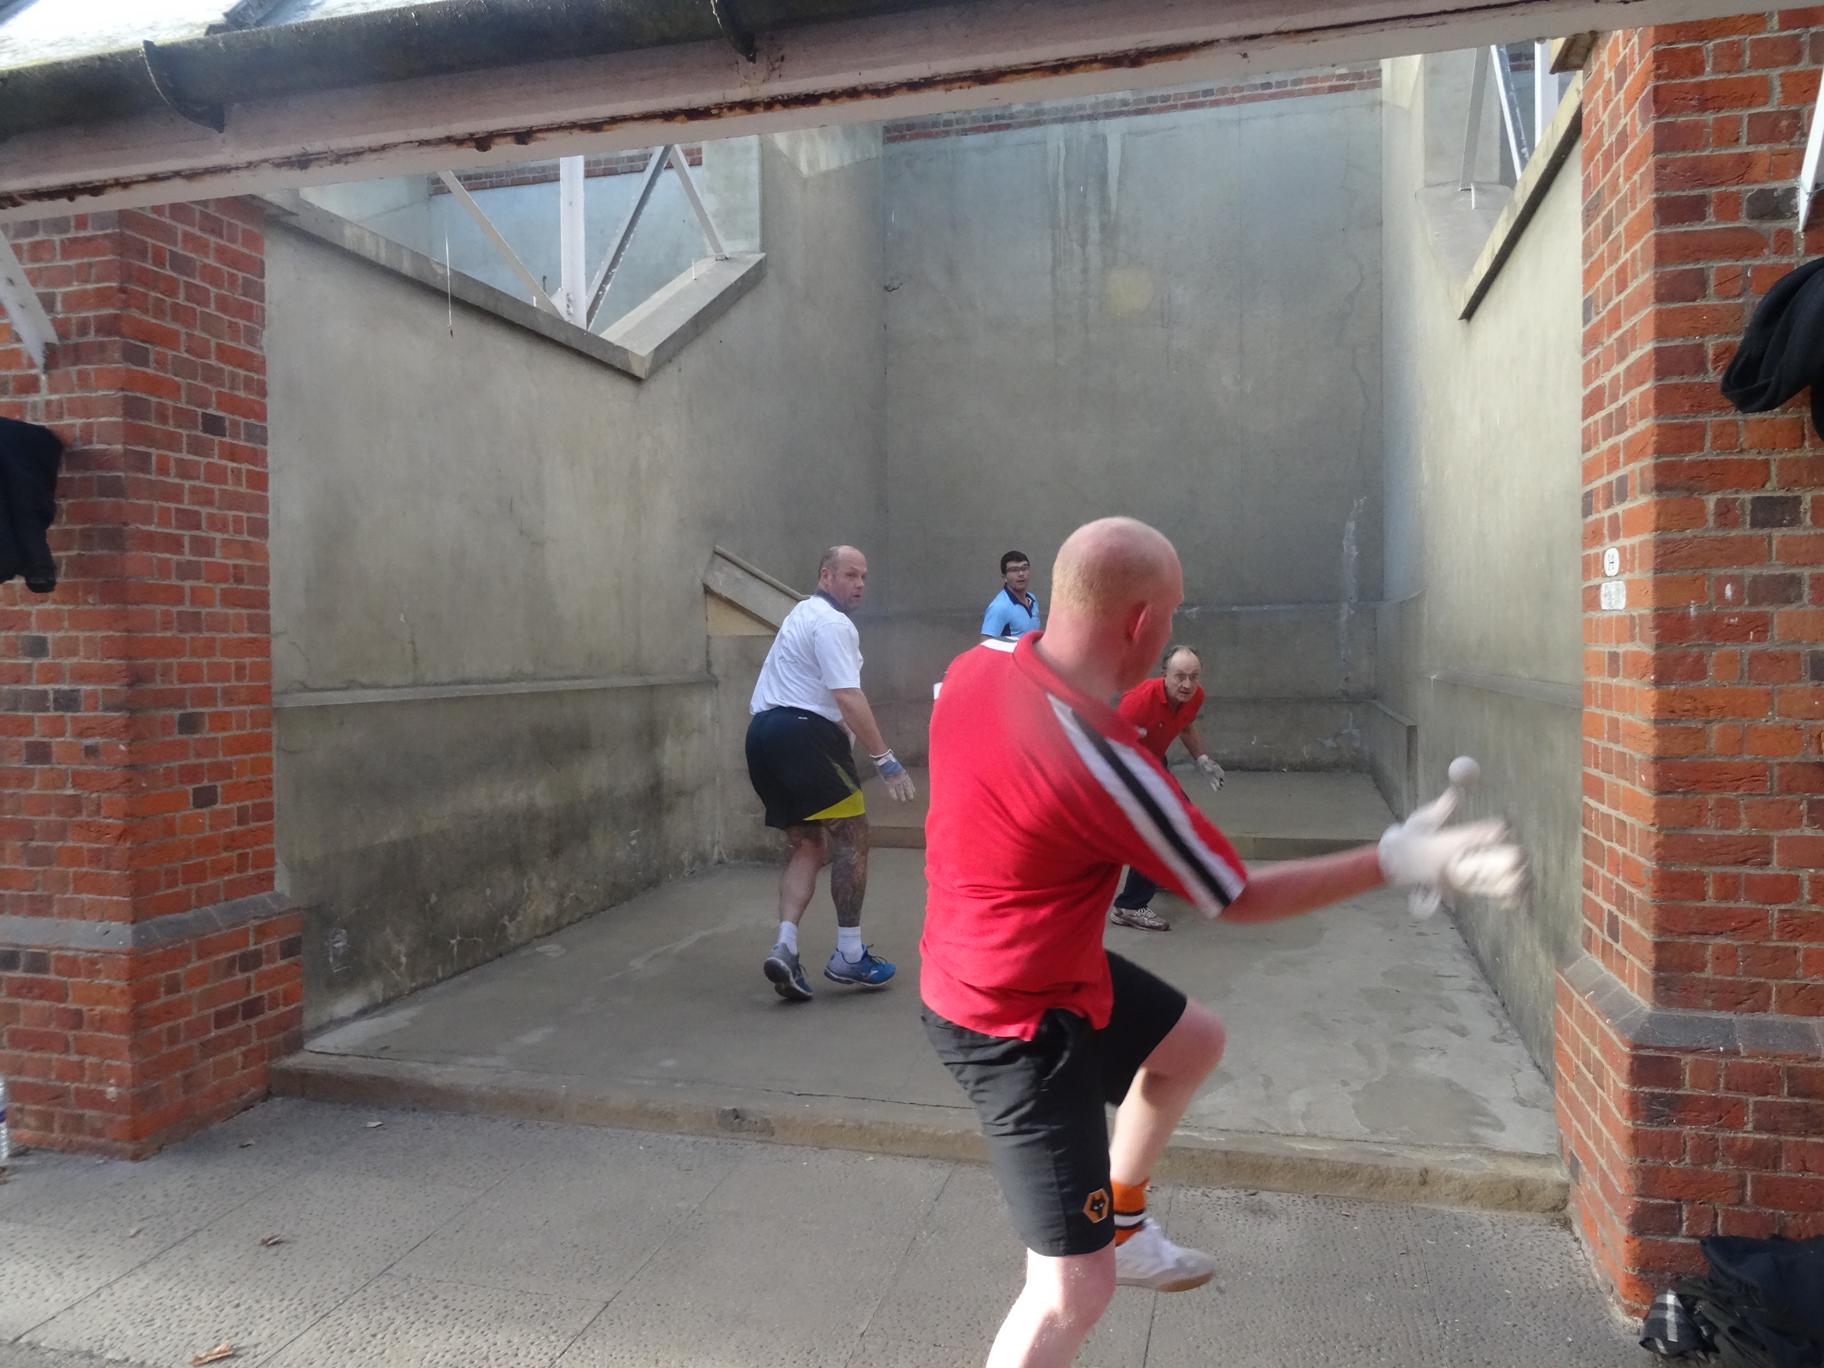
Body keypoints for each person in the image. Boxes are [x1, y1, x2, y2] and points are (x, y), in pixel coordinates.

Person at [919, 517, 1527, 1368]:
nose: (1173, 632)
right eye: (1171, 614)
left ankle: (1122, 1225)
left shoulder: (974, 668)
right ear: (1140, 624)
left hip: (1011, 964)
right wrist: (1396, 857)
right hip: (1013, 1025)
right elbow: (1235, 896)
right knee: (1069, 1291)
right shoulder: (1107, 763)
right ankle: (1106, 1255)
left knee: (1192, 1043)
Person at [747, 545, 916, 1002]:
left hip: (761, 738)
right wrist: (885, 759)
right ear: (826, 575)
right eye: (849, 575)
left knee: (807, 843)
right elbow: (848, 697)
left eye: (863, 576)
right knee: (853, 838)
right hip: (803, 738)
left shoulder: (800, 616)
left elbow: (814, 689)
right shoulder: (833, 623)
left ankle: (785, 947)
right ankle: (849, 955)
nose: (859, 584)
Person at [1108, 645, 1225, 932]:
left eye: (1194, 677)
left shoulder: (1194, 696)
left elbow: (1186, 727)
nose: (1187, 684)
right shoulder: (1137, 703)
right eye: (1180, 676)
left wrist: (1202, 758)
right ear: (1165, 675)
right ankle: (1129, 906)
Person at [982, 550, 1042, 639]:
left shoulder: (1032, 599)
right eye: (1014, 570)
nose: (1021, 574)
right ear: (1005, 577)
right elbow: (985, 647)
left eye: (1024, 568)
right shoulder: (999, 607)